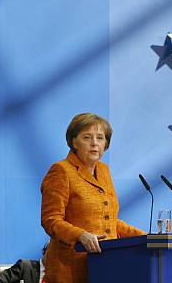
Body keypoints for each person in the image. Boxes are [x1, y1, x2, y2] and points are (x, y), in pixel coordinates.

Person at [40, 113, 146, 283]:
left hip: (106, 264)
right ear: (74, 142)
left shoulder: (103, 170)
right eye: (87, 137)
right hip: (71, 269)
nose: (94, 143)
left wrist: (146, 238)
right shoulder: (61, 170)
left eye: (100, 138)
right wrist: (81, 235)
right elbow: (51, 220)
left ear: (106, 144)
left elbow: (109, 221)